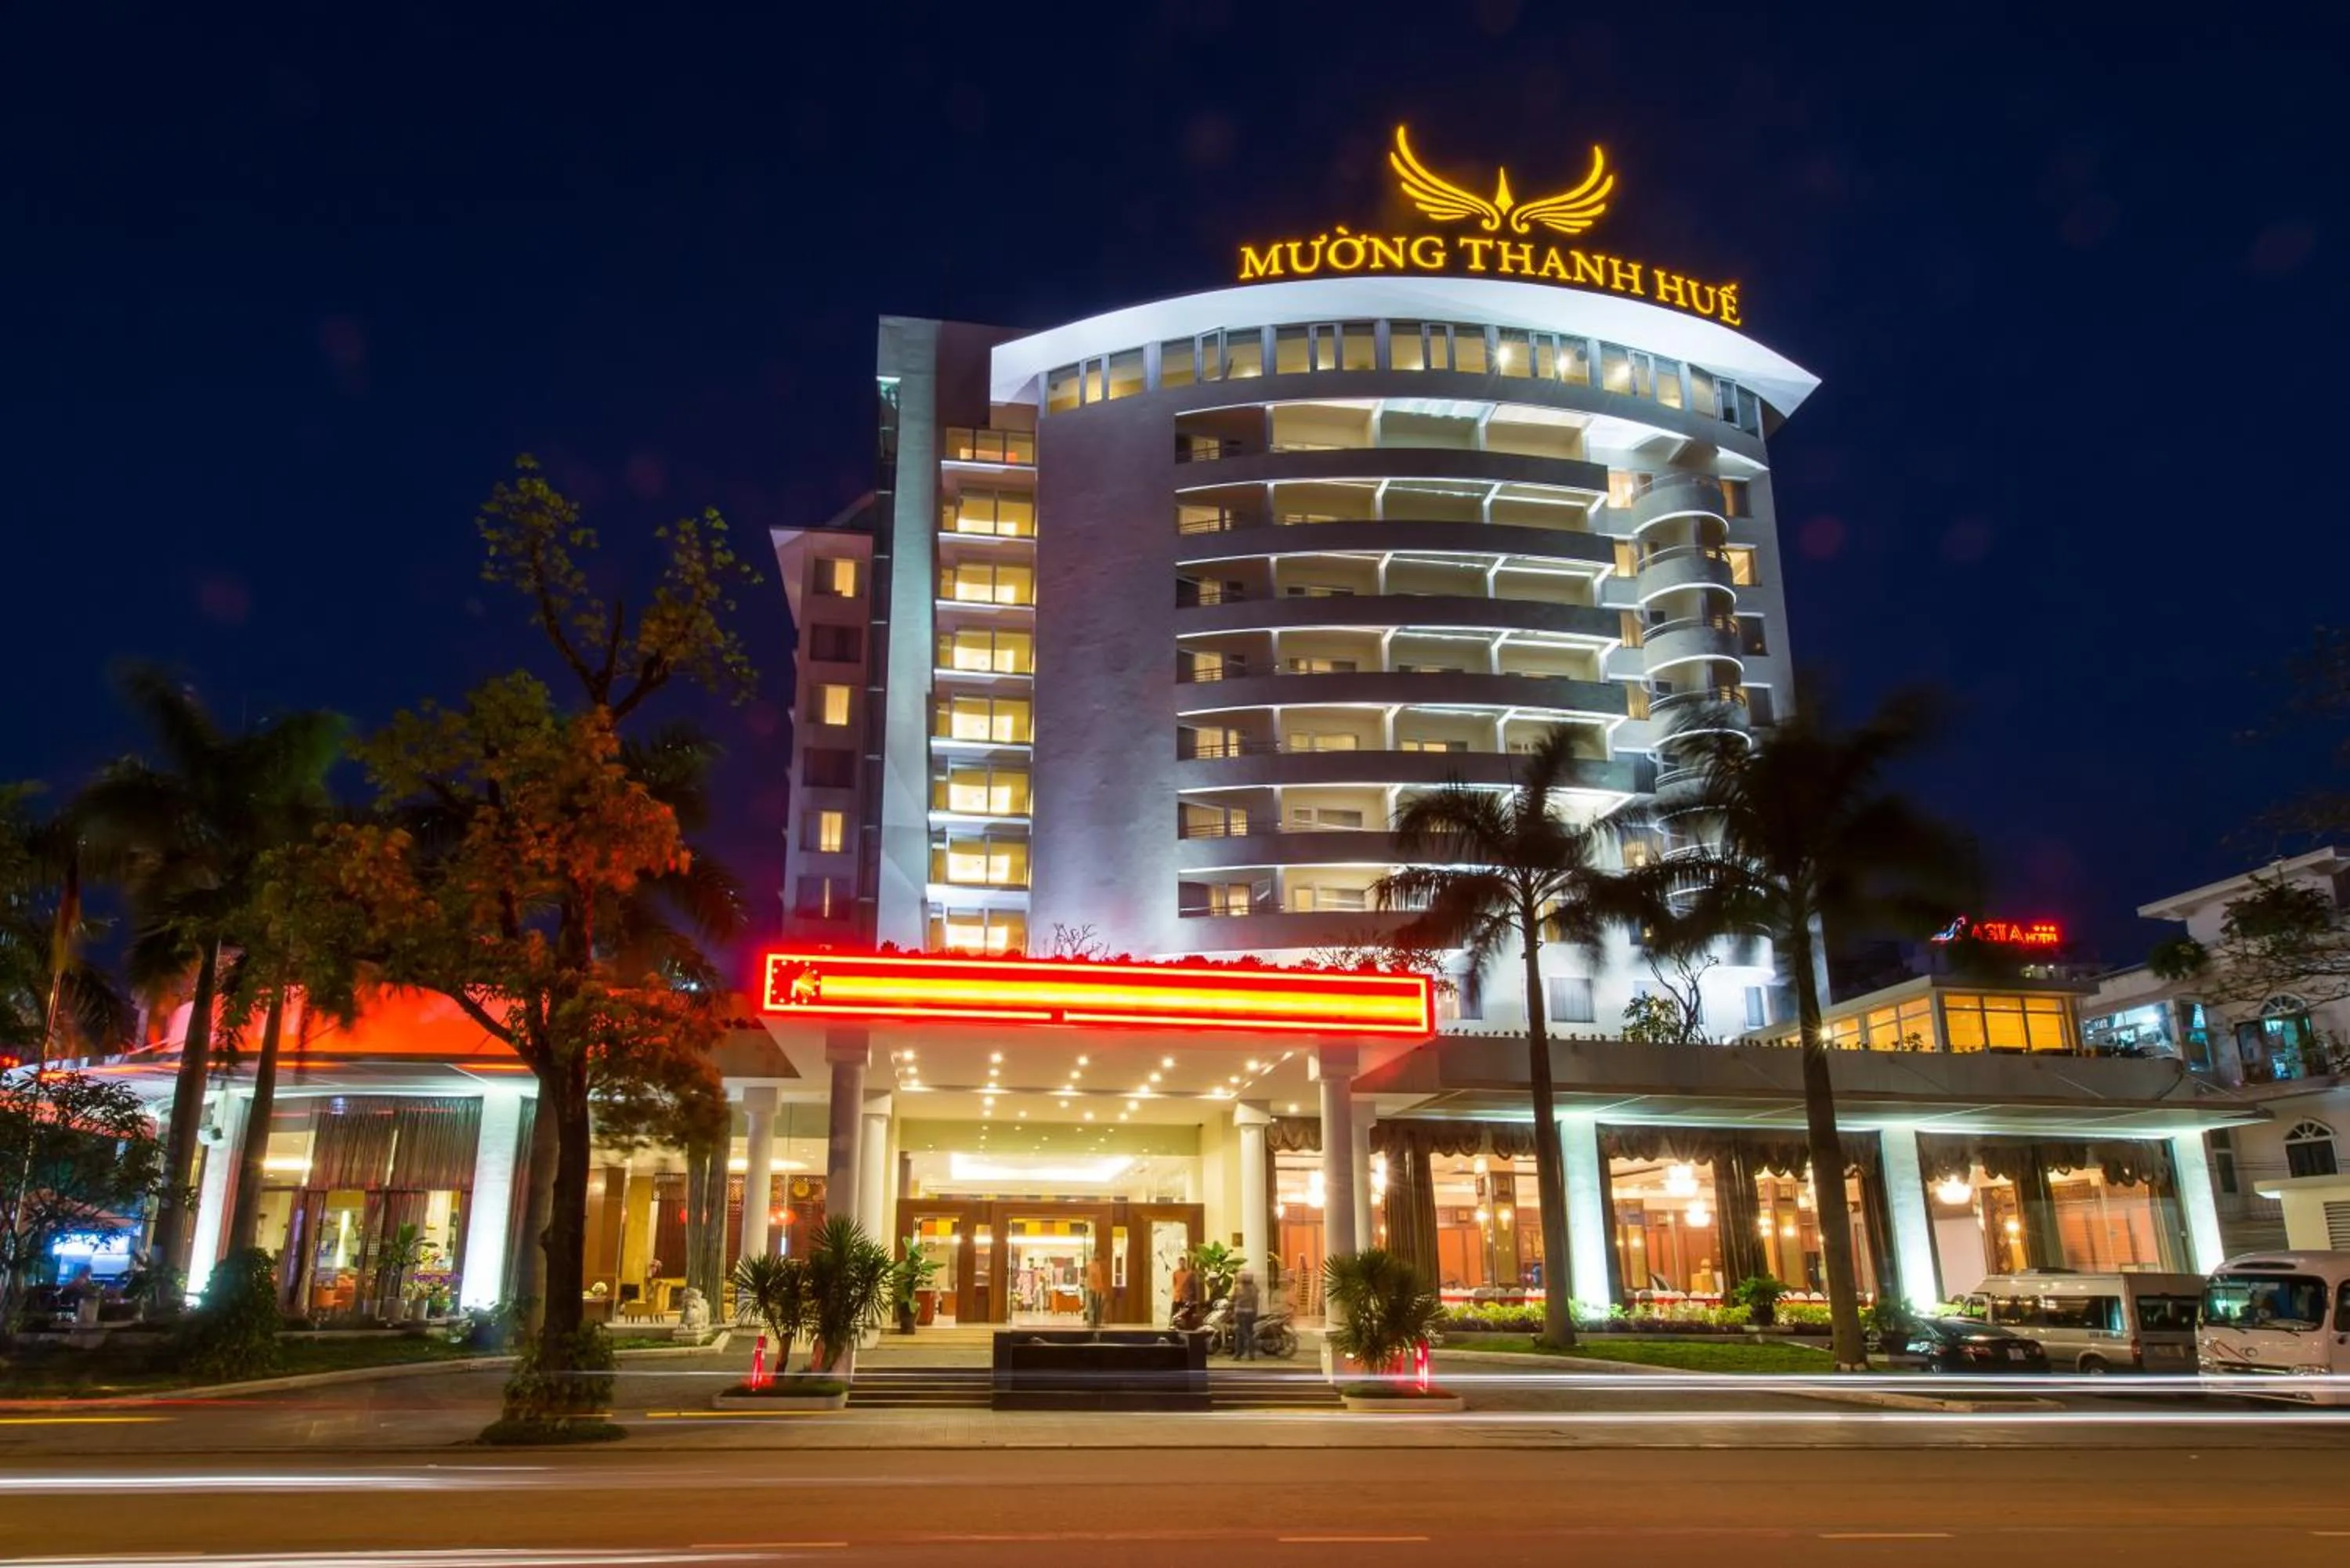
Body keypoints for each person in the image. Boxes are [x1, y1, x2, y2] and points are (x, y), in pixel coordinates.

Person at [1231, 1269, 1261, 1361]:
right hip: (1250, 1313)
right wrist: (1255, 1313)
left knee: (1240, 1334)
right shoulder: (1254, 1288)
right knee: (1249, 1334)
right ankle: (1251, 1354)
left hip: (1240, 1313)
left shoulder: (1238, 1287)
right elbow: (1255, 1302)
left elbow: (1233, 1299)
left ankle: (1238, 1354)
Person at [1085, 1250, 1108, 1326]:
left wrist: (1101, 1289)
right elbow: (1092, 1278)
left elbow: (1099, 1279)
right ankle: (1092, 1321)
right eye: (1097, 1256)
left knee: (1096, 1306)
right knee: (1092, 1306)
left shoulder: (1098, 1266)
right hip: (1092, 1289)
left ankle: (1095, 1322)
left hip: (1096, 1289)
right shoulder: (1090, 1266)